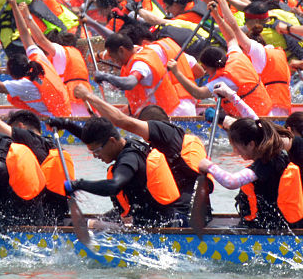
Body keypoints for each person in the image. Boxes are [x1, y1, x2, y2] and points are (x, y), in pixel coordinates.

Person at [74, 88, 205, 224]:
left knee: (101, 224)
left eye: (143, 126)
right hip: (173, 210)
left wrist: (88, 96)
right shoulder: (156, 146)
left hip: (184, 215)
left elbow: (121, 120)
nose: (140, 133)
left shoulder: (165, 132)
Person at [65, 117, 181, 228]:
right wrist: (65, 124)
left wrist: (79, 184)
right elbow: (94, 139)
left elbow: (113, 186)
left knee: (83, 224)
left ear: (112, 141)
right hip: (148, 217)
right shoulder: (129, 144)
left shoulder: (129, 159)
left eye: (97, 151)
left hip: (155, 226)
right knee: (83, 222)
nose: (95, 156)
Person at [197, 118, 294, 232]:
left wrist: (209, 167)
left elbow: (232, 182)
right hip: (271, 223)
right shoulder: (274, 154)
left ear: (251, 144)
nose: (235, 151)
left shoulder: (266, 164)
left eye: (236, 147)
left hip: (268, 227)